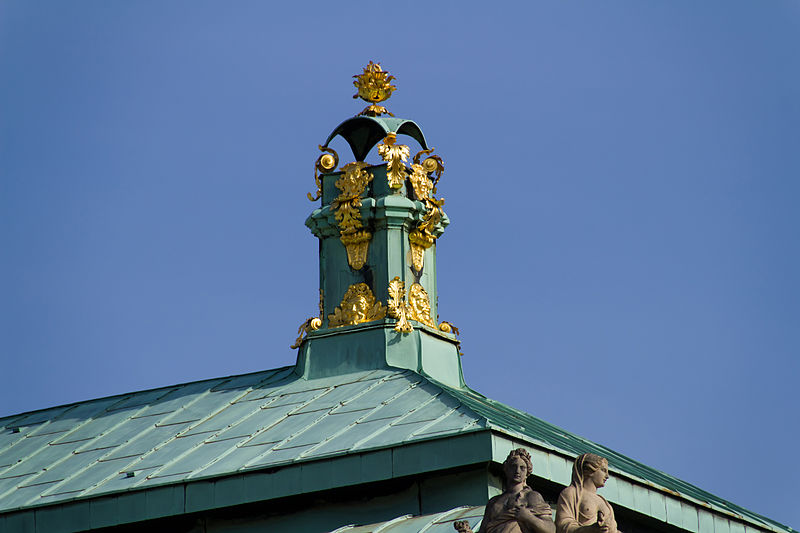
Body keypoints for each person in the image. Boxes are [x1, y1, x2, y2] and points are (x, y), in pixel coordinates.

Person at [455, 449, 555, 533]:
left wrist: (528, 517)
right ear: (506, 469)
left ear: (527, 472)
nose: (517, 471)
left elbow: (551, 529)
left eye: (522, 468)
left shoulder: (532, 496)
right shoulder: (493, 502)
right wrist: (467, 531)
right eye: (513, 466)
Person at [555, 453, 620, 533]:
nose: (607, 476)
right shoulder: (571, 493)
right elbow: (563, 526)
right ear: (589, 470)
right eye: (603, 470)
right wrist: (591, 529)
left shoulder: (605, 503)